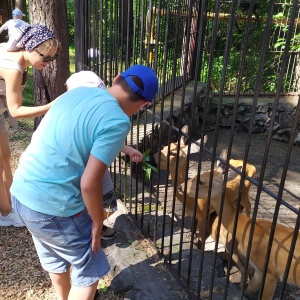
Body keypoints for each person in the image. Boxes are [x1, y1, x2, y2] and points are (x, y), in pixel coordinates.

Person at [11, 64, 159, 300]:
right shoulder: (118, 122)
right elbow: (90, 184)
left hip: (22, 193)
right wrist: (98, 222)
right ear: (143, 105)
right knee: (89, 271)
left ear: (116, 77)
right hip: (55, 207)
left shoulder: (77, 93)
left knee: (54, 256)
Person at [66, 70, 144, 240]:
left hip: (96, 168)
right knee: (86, 200)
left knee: (107, 202)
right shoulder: (74, 116)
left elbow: (103, 140)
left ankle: (96, 225)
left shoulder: (94, 113)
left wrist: (128, 150)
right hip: (79, 170)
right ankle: (92, 229)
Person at [0, 24, 60, 227]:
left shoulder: (18, 58)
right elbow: (15, 110)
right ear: (30, 47)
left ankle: (9, 200)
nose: (49, 62)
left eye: (53, 58)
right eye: (46, 57)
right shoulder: (14, 67)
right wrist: (51, 106)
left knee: (6, 156)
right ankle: (6, 213)